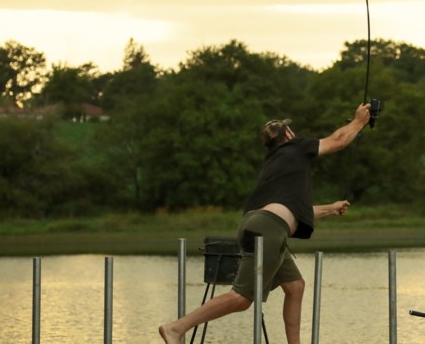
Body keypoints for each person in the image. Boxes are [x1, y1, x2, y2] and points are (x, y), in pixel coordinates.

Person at [159, 102, 373, 344]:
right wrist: (358, 122)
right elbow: (338, 140)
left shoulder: (276, 164)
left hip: (263, 225)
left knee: (295, 286)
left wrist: (330, 209)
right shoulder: (296, 148)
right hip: (268, 230)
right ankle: (177, 328)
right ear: (288, 135)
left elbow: (290, 213)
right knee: (242, 298)